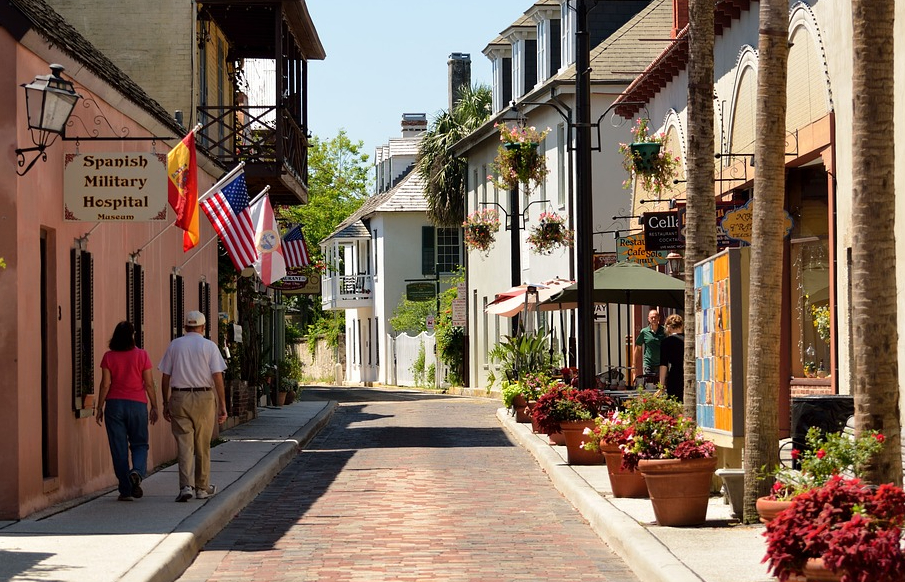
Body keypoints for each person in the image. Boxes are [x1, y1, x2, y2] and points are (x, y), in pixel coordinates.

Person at [159, 311, 228, 502]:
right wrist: (222, 403)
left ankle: (186, 486)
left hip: (179, 396)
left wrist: (166, 402)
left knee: (184, 445)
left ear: (185, 327)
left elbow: (165, 376)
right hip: (204, 396)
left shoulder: (175, 345)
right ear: (203, 327)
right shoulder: (209, 346)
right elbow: (217, 376)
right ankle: (202, 487)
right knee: (202, 445)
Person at [95, 321, 159, 501]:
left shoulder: (109, 357)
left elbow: (105, 384)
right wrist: (154, 405)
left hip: (114, 406)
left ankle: (125, 489)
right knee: (139, 444)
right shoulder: (142, 355)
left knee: (118, 449)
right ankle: (137, 472)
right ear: (133, 335)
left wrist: (99, 407)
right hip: (137, 405)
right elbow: (148, 383)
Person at [634, 308, 666, 386]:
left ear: (659, 318)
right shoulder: (644, 332)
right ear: (648, 319)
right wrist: (634, 364)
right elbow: (638, 347)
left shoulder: (664, 331)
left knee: (661, 386)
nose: (654, 319)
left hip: (661, 364)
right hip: (648, 364)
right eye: (652, 317)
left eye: (655, 317)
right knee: (649, 386)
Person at [658, 314, 685, 402]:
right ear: (682, 326)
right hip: (690, 374)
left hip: (675, 376)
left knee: (675, 404)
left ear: (668, 327)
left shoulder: (666, 342)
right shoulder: (690, 339)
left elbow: (663, 365)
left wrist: (661, 385)